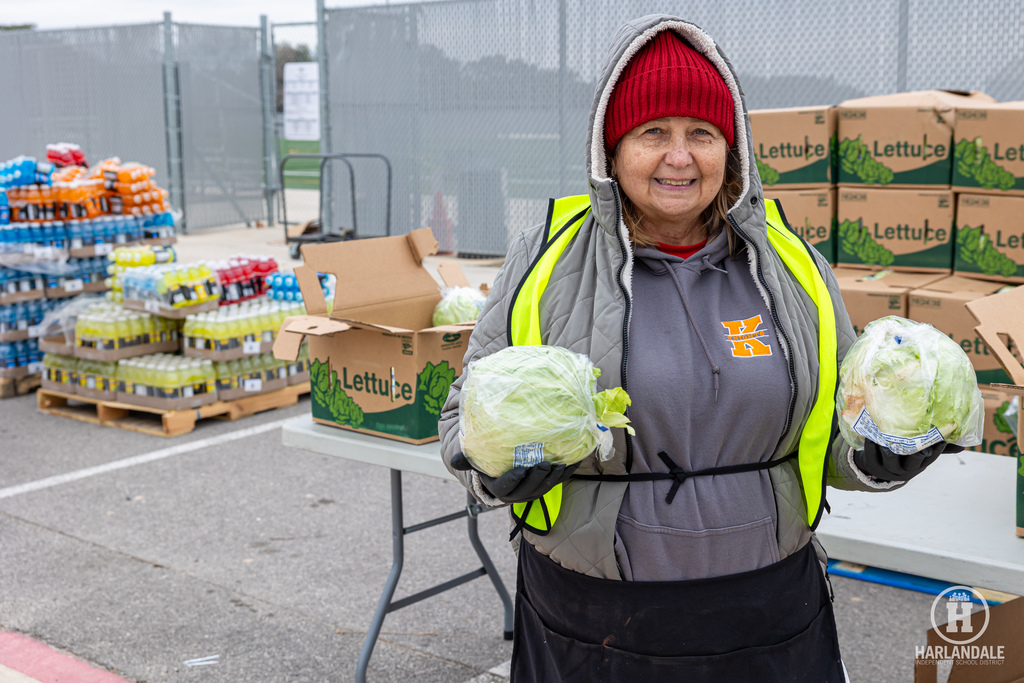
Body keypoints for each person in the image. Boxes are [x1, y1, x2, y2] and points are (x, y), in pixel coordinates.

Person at [438, 14, 959, 682]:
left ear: (731, 148)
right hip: (592, 620)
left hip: (767, 611)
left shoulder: (790, 265)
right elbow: (461, 426)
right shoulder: (546, 259)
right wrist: (493, 468)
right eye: (653, 132)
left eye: (702, 134)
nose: (679, 157)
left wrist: (882, 455)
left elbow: (834, 432)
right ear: (612, 147)